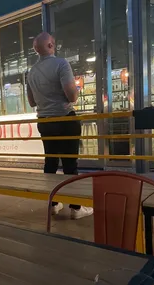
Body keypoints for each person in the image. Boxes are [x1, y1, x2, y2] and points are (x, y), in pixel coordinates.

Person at [27, 32, 93, 220]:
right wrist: (77, 89)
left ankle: (53, 205)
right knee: (70, 164)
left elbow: (32, 102)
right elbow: (72, 96)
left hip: (45, 121)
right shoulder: (61, 64)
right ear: (51, 45)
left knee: (51, 162)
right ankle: (76, 208)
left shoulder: (31, 73)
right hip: (65, 119)